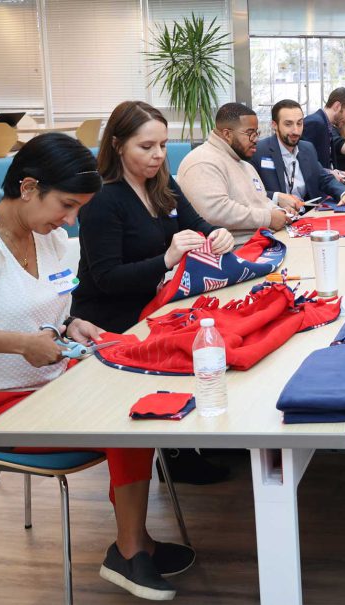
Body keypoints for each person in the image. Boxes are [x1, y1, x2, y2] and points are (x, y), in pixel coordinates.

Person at [0, 133, 195, 600]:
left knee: (139, 399)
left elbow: (45, 312)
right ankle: (128, 551)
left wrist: (71, 325)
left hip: (46, 387)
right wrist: (21, 343)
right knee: (125, 422)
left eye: (77, 209)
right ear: (27, 188)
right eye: (65, 205)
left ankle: (135, 542)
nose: (70, 219)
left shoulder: (49, 238)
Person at [73, 101, 238, 488]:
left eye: (163, 145)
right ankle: (174, 449)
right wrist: (166, 259)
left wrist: (218, 236)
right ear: (117, 145)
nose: (158, 155)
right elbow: (107, 278)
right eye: (146, 147)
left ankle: (186, 440)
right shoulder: (103, 199)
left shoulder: (162, 183)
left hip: (157, 307)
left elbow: (197, 225)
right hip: (112, 319)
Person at [178, 102, 292, 245]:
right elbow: (216, 211)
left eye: (256, 133)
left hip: (261, 242)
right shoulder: (202, 162)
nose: (256, 139)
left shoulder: (245, 164)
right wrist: (268, 217)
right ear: (227, 134)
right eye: (250, 133)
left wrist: (279, 211)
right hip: (230, 252)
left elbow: (261, 201)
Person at [251, 99, 345, 208]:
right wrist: (276, 197)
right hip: (277, 218)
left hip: (306, 214)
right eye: (288, 124)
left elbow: (324, 178)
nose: (296, 130)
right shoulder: (259, 151)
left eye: (299, 123)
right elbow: (250, 193)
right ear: (274, 125)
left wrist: (344, 194)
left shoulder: (307, 148)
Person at [302, 87, 345, 171]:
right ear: (337, 106)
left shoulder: (326, 125)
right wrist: (330, 173)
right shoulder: (315, 123)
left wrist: (335, 173)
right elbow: (307, 163)